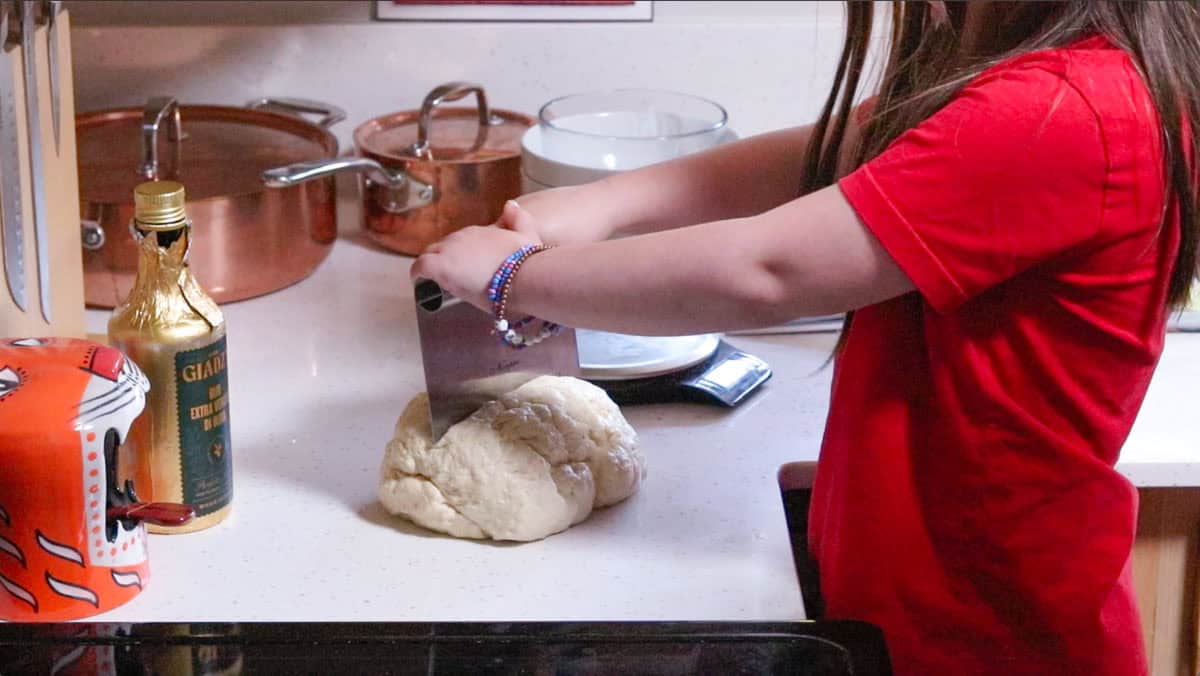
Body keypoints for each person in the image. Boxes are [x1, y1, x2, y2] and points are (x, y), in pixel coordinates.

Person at [411, 1, 1200, 673]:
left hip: (990, 631)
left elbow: (767, 270)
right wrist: (602, 206)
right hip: (925, 595)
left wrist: (514, 277)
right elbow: (830, 154)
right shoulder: (1031, 72)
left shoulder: (1070, 109)